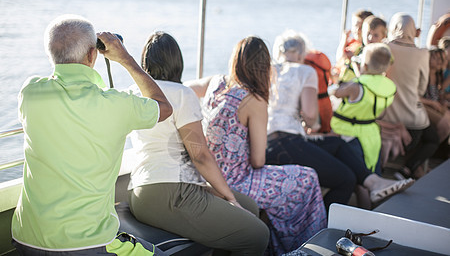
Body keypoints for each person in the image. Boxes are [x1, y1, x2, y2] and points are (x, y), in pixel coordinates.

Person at [11, 14, 173, 255]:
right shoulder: (117, 105)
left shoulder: (30, 92)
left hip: (27, 237)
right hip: (87, 244)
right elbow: (163, 107)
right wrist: (126, 59)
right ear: (92, 54)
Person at [127, 31, 270, 256]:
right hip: (172, 192)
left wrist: (226, 195)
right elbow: (200, 155)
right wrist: (229, 197)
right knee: (259, 235)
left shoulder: (132, 94)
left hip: (140, 192)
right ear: (177, 62)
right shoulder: (181, 93)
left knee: (250, 207)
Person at [187, 36, 327, 255]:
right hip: (236, 181)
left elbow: (185, 88)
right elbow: (258, 160)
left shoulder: (215, 82)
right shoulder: (253, 99)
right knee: (307, 179)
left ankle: (278, 246)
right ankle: (302, 250)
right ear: (263, 66)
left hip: (207, 175)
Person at [266, 30, 413, 210]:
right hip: (288, 143)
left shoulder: (269, 70)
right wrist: (315, 125)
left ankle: (373, 182)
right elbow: (311, 116)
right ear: (301, 52)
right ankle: (320, 226)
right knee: (347, 179)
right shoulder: (305, 71)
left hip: (268, 144)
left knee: (338, 143)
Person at [381, 12, 440, 179]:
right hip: (411, 120)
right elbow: (421, 88)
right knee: (433, 139)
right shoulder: (422, 53)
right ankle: (407, 168)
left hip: (385, 115)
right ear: (413, 30)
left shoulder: (384, 47)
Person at [331, 43, 396, 173]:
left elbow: (336, 93)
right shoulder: (389, 87)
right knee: (371, 168)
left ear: (364, 66)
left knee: (360, 174)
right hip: (371, 133)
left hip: (348, 133)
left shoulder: (356, 86)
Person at [335, 9, 374, 83]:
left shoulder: (368, 48)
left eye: (361, 27)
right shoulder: (351, 42)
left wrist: (352, 58)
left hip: (354, 83)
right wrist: (344, 40)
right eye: (355, 25)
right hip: (342, 81)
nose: (357, 30)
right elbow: (339, 58)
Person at [420, 47, 450, 143]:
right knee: (445, 124)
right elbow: (415, 97)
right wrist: (433, 103)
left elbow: (437, 95)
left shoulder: (438, 76)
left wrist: (442, 101)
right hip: (424, 105)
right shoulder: (423, 75)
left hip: (434, 105)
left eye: (441, 59)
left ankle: (437, 148)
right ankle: (434, 147)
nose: (439, 61)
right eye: (435, 58)